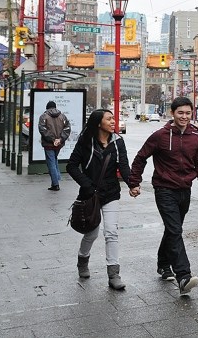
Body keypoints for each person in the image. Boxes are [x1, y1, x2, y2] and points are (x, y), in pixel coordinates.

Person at [128, 96, 198, 296]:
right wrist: (134, 182)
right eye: (180, 113)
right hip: (164, 189)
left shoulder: (196, 137)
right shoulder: (160, 136)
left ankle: (163, 264)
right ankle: (183, 276)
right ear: (172, 113)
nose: (184, 116)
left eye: (188, 113)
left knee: (173, 229)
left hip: (185, 190)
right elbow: (140, 158)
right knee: (175, 230)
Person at [66, 109, 131, 290]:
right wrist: (86, 184)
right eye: (109, 119)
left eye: (113, 119)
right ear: (98, 123)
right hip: (90, 194)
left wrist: (132, 184)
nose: (113, 121)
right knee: (92, 233)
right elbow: (72, 166)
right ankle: (82, 260)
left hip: (111, 193)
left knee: (111, 232)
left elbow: (124, 167)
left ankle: (114, 274)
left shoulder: (118, 142)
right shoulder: (86, 141)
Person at [38, 100, 71, 191]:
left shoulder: (44, 116)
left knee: (51, 162)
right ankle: (56, 179)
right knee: (54, 159)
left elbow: (42, 129)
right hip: (59, 144)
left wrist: (52, 139)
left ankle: (55, 184)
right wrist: (60, 139)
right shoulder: (62, 116)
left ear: (47, 107)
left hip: (48, 144)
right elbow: (67, 128)